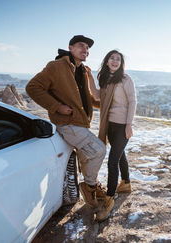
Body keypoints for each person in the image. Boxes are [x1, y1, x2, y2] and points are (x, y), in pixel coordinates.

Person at [26, 35, 106, 209]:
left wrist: (106, 105)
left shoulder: (82, 70)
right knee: (99, 150)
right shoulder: (56, 66)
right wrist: (57, 107)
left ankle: (92, 188)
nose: (85, 50)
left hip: (82, 123)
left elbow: (87, 98)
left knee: (86, 160)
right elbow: (32, 87)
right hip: (68, 124)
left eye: (87, 48)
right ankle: (89, 186)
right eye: (80, 46)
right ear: (70, 48)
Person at [86, 49, 137, 221]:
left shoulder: (125, 79)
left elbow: (132, 101)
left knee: (113, 160)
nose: (115, 61)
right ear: (107, 61)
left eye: (118, 59)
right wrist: (90, 77)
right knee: (119, 153)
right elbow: (97, 95)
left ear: (121, 63)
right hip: (110, 124)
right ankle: (126, 183)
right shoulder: (106, 79)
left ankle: (109, 198)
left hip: (123, 125)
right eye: (112, 58)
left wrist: (129, 124)